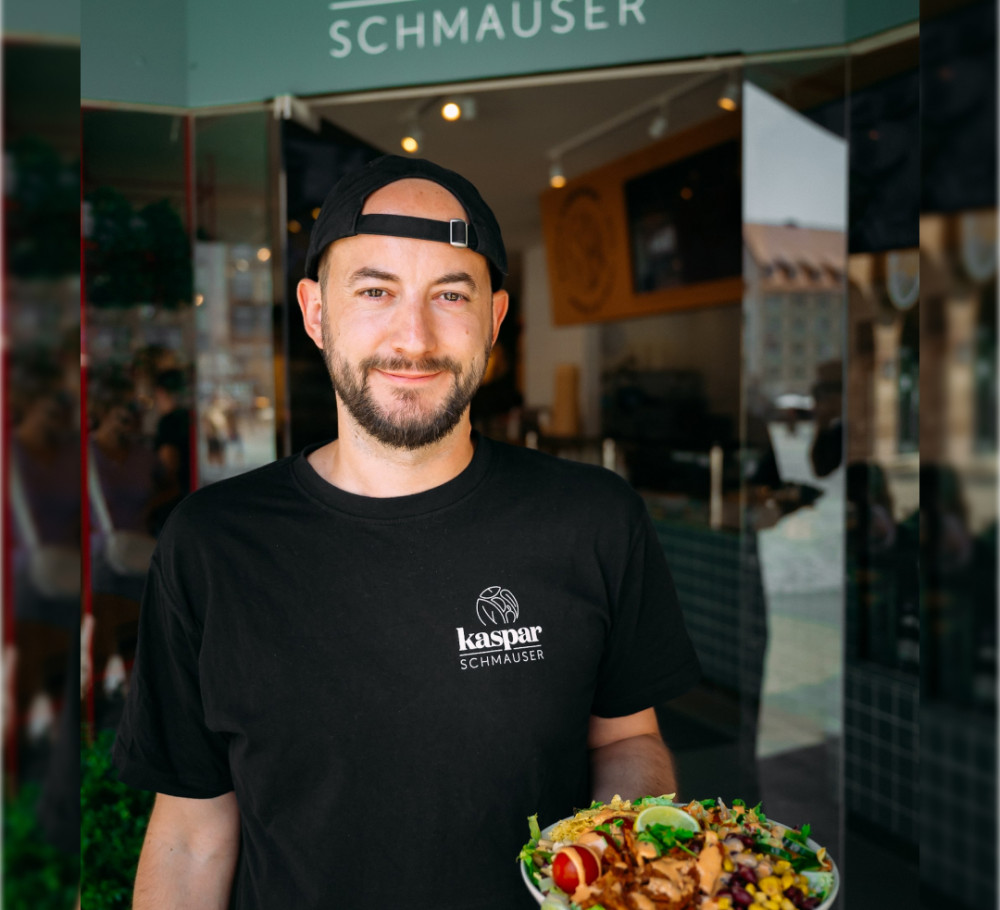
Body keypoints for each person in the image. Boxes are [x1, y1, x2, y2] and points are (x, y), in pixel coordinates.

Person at [112, 155, 701, 910]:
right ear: (315, 313)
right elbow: (192, 832)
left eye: (450, 294)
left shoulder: (592, 518)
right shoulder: (211, 544)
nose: (414, 337)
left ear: (494, 318)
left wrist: (634, 867)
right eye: (375, 291)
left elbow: (624, 739)